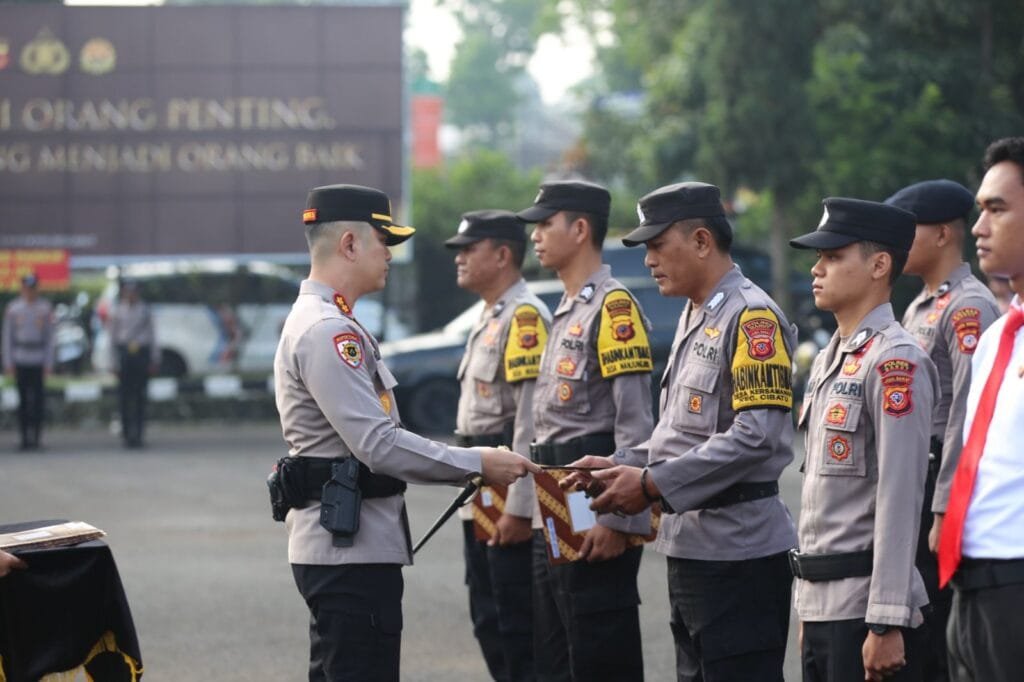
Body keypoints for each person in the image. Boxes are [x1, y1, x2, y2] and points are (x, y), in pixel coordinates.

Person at [273, 184, 538, 682]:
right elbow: (378, 444)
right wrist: (478, 463)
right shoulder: (329, 331)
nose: (389, 254)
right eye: (382, 240)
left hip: (348, 545)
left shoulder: (329, 322)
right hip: (348, 554)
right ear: (350, 244)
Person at [572, 182, 799, 681]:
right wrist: (623, 465)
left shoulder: (751, 315)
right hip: (692, 545)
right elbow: (679, 435)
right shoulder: (699, 311)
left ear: (701, 241)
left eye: (657, 245)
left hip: (738, 552)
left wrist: (651, 485)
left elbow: (756, 435)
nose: (649, 260)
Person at [788, 197, 939, 682]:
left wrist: (886, 619)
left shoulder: (897, 362)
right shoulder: (833, 357)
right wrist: (806, 609)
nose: (817, 268)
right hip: (823, 606)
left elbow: (900, 497)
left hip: (863, 610)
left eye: (833, 257)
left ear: (879, 265)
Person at [516, 180, 654, 682]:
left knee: (598, 646)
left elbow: (636, 425)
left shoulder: (613, 309)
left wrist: (619, 522)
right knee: (556, 650)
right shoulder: (568, 306)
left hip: (591, 497)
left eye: (545, 223)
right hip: (553, 496)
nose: (534, 235)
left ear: (579, 229)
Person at [884, 179, 1000, 681]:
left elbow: (966, 415)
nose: (897, 243)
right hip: (916, 473)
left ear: (943, 234)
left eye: (908, 231)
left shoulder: (969, 307)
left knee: (937, 629)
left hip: (941, 478)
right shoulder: (919, 305)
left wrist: (944, 505)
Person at [446, 209, 551, 681]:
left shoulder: (525, 316)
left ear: (503, 254)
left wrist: (522, 509)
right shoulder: (490, 315)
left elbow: (531, 420)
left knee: (517, 623)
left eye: (470, 249)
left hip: (507, 493)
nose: (460, 258)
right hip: (481, 488)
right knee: (489, 613)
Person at [937, 136, 1024, 682]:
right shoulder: (997, 338)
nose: (978, 226)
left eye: (997, 208)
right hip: (969, 586)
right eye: (979, 210)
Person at [2, 273, 54, 451]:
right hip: (21, 357)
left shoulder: (44, 308)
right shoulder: (14, 309)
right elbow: (7, 338)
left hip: (38, 357)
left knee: (38, 401)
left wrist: (49, 362)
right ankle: (24, 437)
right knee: (23, 401)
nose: (30, 292)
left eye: (33, 288)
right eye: (27, 288)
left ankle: (37, 437)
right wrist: (8, 362)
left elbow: (49, 338)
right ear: (22, 288)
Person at [108, 280, 159, 448]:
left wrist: (154, 359)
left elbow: (153, 337)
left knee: (140, 397)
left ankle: (138, 434)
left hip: (141, 355)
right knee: (124, 397)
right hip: (124, 355)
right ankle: (126, 433)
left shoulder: (145, 310)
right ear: (123, 293)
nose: (131, 294)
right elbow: (112, 339)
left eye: (134, 291)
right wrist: (113, 362)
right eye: (128, 291)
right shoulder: (117, 311)